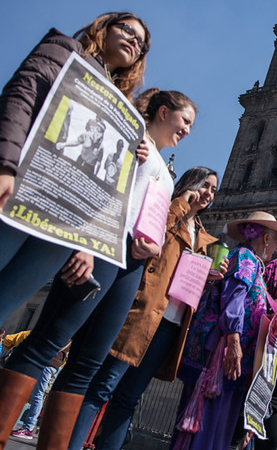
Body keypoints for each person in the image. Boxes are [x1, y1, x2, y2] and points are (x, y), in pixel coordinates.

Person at [0, 11, 149, 448]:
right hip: (18, 189)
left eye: (142, 43)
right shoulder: (66, 52)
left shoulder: (121, 106)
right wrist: (0, 164)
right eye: (126, 30)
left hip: (60, 225)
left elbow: (103, 185)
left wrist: (90, 236)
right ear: (102, 28)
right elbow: (21, 94)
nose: (134, 42)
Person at [0, 88, 196, 450]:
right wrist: (87, 244)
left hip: (131, 265)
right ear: (163, 112)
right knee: (46, 342)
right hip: (103, 247)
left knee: (88, 362)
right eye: (184, 120)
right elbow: (101, 191)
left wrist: (152, 245)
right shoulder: (133, 141)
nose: (187, 129)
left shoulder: (167, 175)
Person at [67, 167, 221, 450]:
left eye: (213, 190)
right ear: (190, 184)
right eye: (205, 186)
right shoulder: (167, 211)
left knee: (129, 397)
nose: (209, 193)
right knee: (103, 386)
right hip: (142, 312)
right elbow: (153, 233)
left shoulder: (203, 236)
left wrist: (208, 276)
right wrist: (181, 201)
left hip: (171, 324)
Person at [171, 211, 277, 450]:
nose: (276, 249)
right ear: (266, 239)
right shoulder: (245, 258)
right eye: (276, 242)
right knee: (209, 422)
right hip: (222, 356)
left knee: (218, 425)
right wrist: (235, 343)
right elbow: (233, 301)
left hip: (231, 358)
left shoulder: (254, 265)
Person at [230, 258, 277, 450]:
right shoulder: (258, 297)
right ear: (276, 275)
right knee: (235, 440)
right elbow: (255, 325)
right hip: (253, 381)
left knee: (269, 444)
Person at [10, 342, 71, 440]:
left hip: (48, 363)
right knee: (37, 395)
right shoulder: (70, 337)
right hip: (52, 365)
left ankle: (28, 428)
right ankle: (28, 427)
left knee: (37, 395)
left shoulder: (65, 334)